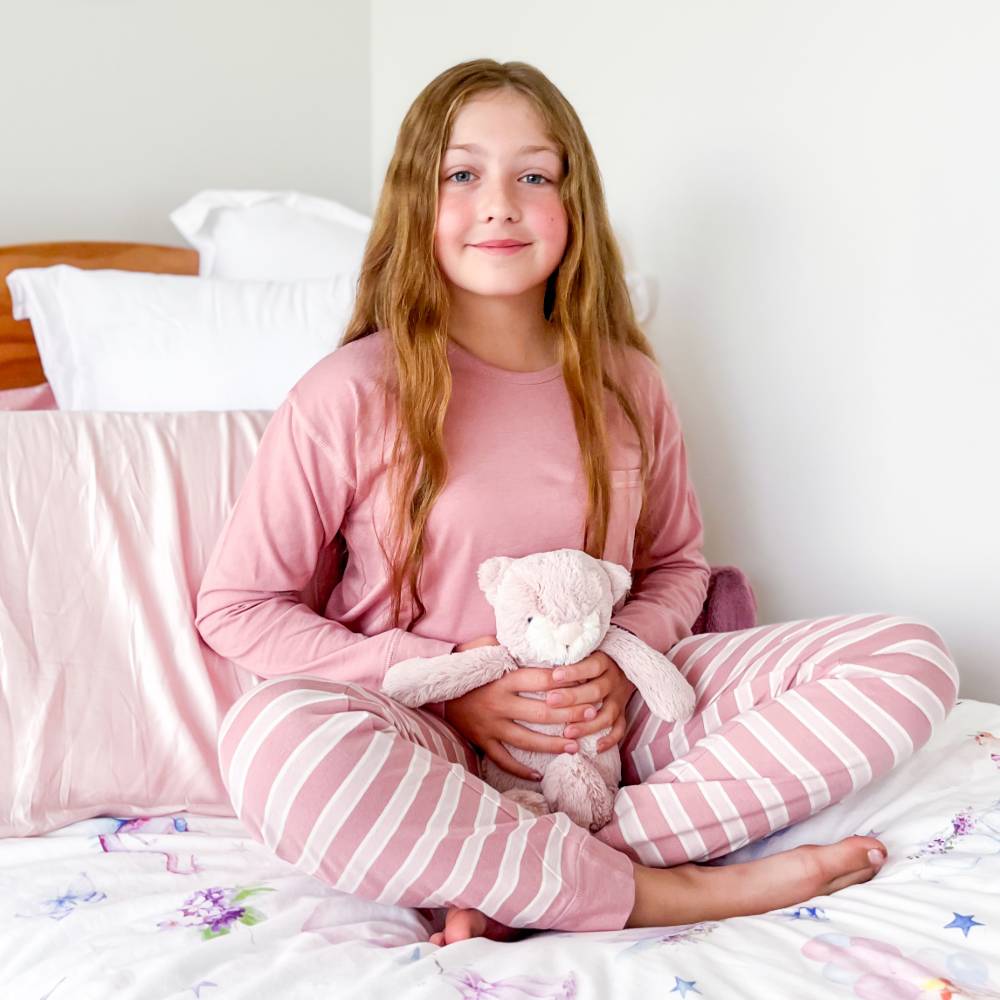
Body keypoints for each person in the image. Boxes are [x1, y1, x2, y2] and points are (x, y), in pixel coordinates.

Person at [195, 59, 959, 947]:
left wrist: (625, 656)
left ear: (573, 202)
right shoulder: (350, 391)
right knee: (272, 740)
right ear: (417, 199)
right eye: (461, 174)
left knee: (910, 658)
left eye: (534, 175)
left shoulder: (627, 382)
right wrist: (454, 679)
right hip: (426, 739)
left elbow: (677, 564)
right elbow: (238, 607)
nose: (499, 204)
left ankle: (555, 873)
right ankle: (668, 894)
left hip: (618, 725)